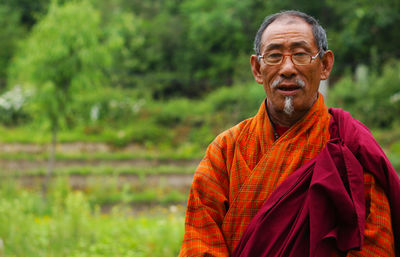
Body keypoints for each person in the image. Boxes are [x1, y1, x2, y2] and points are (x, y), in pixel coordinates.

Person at [179, 10, 400, 257]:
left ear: (325, 65)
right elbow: (200, 241)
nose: (287, 68)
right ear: (257, 69)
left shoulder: (350, 146)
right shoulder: (226, 150)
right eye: (274, 56)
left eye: (301, 54)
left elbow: (374, 245)